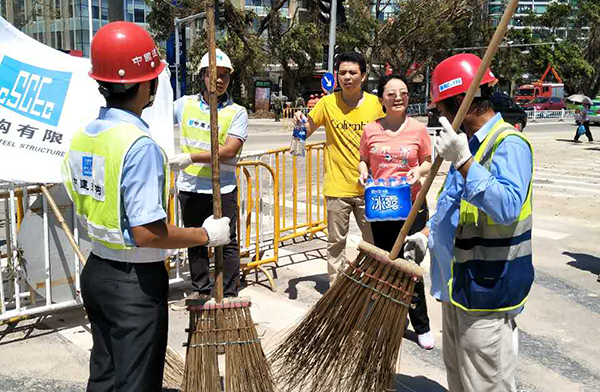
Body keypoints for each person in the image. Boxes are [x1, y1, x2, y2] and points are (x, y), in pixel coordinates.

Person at [61, 22, 231, 392]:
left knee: (104, 374)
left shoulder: (83, 136)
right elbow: (146, 233)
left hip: (97, 272)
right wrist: (206, 234)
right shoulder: (139, 145)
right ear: (146, 85)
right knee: (136, 382)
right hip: (134, 284)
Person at [404, 53, 534, 392]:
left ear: (462, 100)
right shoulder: (467, 145)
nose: (442, 117)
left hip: (489, 290)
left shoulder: (509, 144)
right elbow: (454, 206)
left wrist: (463, 162)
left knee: (486, 384)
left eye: (444, 108)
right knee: (460, 379)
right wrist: (426, 235)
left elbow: (506, 207)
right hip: (458, 287)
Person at [293, 52, 385, 284]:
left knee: (375, 244)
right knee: (335, 244)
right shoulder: (327, 103)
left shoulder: (376, 104)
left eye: (352, 72)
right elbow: (305, 132)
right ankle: (336, 290)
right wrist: (299, 124)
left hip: (370, 187)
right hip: (337, 187)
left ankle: (374, 287)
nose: (347, 77)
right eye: (342, 72)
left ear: (363, 76)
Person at [358, 74, 434, 350]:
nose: (398, 97)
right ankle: (391, 320)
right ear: (381, 100)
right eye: (391, 94)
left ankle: (422, 325)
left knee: (410, 267)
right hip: (383, 208)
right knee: (387, 266)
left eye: (402, 92)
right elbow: (364, 160)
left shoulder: (418, 129)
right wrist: (364, 174)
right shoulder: (370, 130)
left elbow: (427, 162)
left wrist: (418, 171)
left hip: (412, 207)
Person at [169, 49, 248, 308]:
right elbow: (156, 118)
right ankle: (201, 289)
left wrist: (190, 158)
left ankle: (229, 292)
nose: (219, 80)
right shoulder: (184, 105)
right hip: (190, 187)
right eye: (215, 74)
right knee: (196, 240)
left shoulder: (237, 112)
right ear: (203, 75)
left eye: (225, 76)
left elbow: (229, 150)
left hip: (222, 188)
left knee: (227, 240)